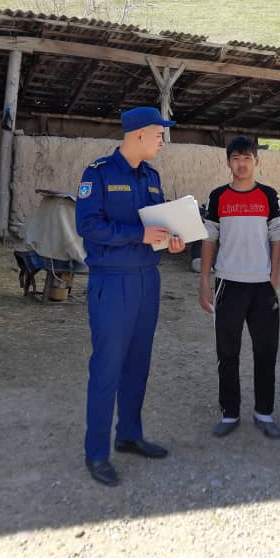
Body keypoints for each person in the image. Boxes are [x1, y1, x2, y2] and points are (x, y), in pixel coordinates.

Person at [75, 106, 186, 487]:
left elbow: (159, 225)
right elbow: (88, 225)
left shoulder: (151, 177)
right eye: (159, 134)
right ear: (138, 134)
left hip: (147, 280)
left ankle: (129, 434)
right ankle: (96, 452)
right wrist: (138, 235)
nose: (162, 141)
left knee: (138, 364)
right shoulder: (98, 173)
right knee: (107, 367)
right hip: (112, 281)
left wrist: (171, 240)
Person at [199, 136, 280, 439]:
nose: (241, 164)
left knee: (266, 351)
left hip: (262, 287)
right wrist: (204, 281)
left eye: (247, 158)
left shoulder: (269, 196)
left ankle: (264, 412)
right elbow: (209, 239)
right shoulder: (218, 196)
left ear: (256, 161)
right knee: (227, 352)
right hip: (228, 284)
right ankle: (230, 413)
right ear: (228, 162)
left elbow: (277, 237)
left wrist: (274, 277)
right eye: (236, 158)